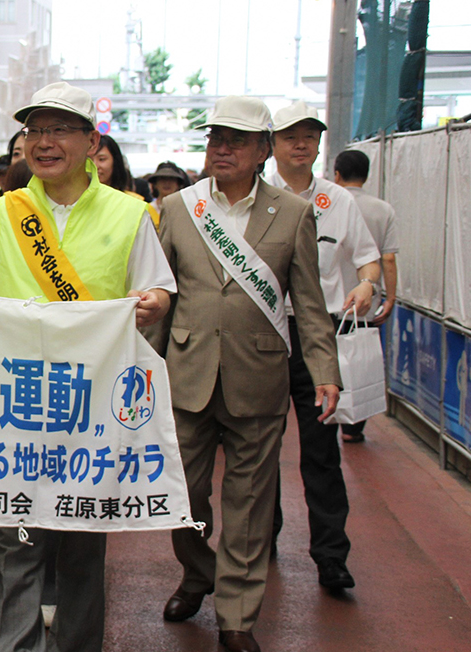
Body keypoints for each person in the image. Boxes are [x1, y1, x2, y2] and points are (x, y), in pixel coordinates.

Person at [0, 81, 175, 652]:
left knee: (82, 547)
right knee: (11, 545)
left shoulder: (131, 215)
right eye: (35, 130)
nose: (44, 142)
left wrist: (154, 302)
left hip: (93, 413)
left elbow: (156, 291)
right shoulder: (6, 213)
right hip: (14, 407)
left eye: (59, 129)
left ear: (90, 140)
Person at [155, 96, 340, 652]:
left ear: (263, 149)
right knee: (180, 497)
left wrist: (325, 370)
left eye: (236, 140)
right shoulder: (179, 208)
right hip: (186, 375)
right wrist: (140, 369)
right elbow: (161, 294)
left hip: (259, 378)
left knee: (251, 503)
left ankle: (237, 616)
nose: (222, 148)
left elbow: (308, 303)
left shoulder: (293, 212)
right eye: (216, 138)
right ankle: (197, 572)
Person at [267, 102, 380, 591]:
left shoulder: (338, 200)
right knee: (258, 449)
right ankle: (260, 537)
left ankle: (331, 555)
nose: (301, 144)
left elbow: (368, 260)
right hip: (265, 338)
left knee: (321, 452)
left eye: (310, 136)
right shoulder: (254, 198)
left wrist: (368, 286)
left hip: (317, 339)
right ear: (271, 144)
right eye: (291, 135)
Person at [334, 148, 399, 442]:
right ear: (367, 175)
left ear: (337, 174)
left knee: (331, 360)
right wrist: (389, 297)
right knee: (358, 359)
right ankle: (353, 426)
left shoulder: (331, 204)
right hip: (365, 301)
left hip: (332, 301)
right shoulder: (383, 209)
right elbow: (388, 259)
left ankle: (326, 414)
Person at [92, 135, 161, 228]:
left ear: (115, 161)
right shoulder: (74, 203)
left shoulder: (136, 204)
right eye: (89, 160)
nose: (95, 165)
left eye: (102, 159)